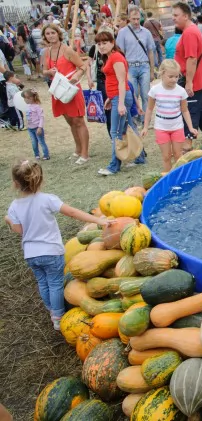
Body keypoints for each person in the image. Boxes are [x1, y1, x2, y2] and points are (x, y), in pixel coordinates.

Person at [5, 160, 109, 330]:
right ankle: (58, 317)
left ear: (15, 183)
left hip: (31, 254)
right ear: (40, 180)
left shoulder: (14, 206)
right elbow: (73, 213)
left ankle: (50, 308)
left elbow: (18, 230)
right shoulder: (47, 199)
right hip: (51, 251)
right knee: (55, 283)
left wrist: (9, 219)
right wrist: (99, 220)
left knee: (43, 282)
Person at [96, 30, 146, 176]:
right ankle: (140, 157)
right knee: (129, 128)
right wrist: (110, 98)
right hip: (117, 97)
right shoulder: (110, 57)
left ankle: (113, 166)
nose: (102, 46)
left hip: (121, 97)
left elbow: (122, 82)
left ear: (112, 42)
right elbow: (114, 81)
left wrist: (121, 103)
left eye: (105, 43)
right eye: (99, 44)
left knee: (116, 132)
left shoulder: (116, 57)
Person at [173, 2, 202, 148]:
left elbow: (192, 59)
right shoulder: (191, 30)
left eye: (176, 15)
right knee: (199, 106)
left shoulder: (189, 33)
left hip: (193, 79)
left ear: (186, 16)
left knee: (190, 108)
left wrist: (188, 82)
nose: (173, 18)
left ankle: (188, 142)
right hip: (196, 78)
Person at [41, 23, 90, 164]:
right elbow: (44, 70)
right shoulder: (47, 52)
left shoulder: (67, 50)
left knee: (78, 121)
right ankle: (78, 149)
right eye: (48, 34)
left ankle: (85, 154)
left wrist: (75, 77)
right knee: (70, 122)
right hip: (58, 90)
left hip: (70, 88)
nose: (50, 36)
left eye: (53, 33)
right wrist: (48, 72)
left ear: (58, 34)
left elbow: (82, 66)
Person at [142, 60, 197, 171]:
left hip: (177, 127)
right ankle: (167, 177)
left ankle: (179, 176)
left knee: (178, 155)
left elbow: (185, 110)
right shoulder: (154, 90)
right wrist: (145, 127)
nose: (174, 79)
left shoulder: (181, 91)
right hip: (161, 127)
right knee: (166, 156)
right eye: (170, 76)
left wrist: (190, 127)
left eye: (176, 76)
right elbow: (149, 109)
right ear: (162, 74)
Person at [116, 6, 155, 119]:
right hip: (130, 66)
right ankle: (133, 117)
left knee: (146, 95)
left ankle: (145, 119)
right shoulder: (122, 33)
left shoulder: (146, 32)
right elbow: (121, 53)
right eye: (133, 19)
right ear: (129, 18)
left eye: (138, 19)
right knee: (133, 95)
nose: (136, 21)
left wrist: (152, 70)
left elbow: (150, 52)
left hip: (144, 66)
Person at [23, 89, 49, 160]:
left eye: (24, 98)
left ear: (30, 98)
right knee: (34, 142)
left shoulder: (37, 107)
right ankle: (36, 154)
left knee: (41, 141)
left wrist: (40, 127)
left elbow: (41, 117)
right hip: (30, 128)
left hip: (37, 128)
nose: (24, 100)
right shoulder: (28, 106)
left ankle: (46, 155)